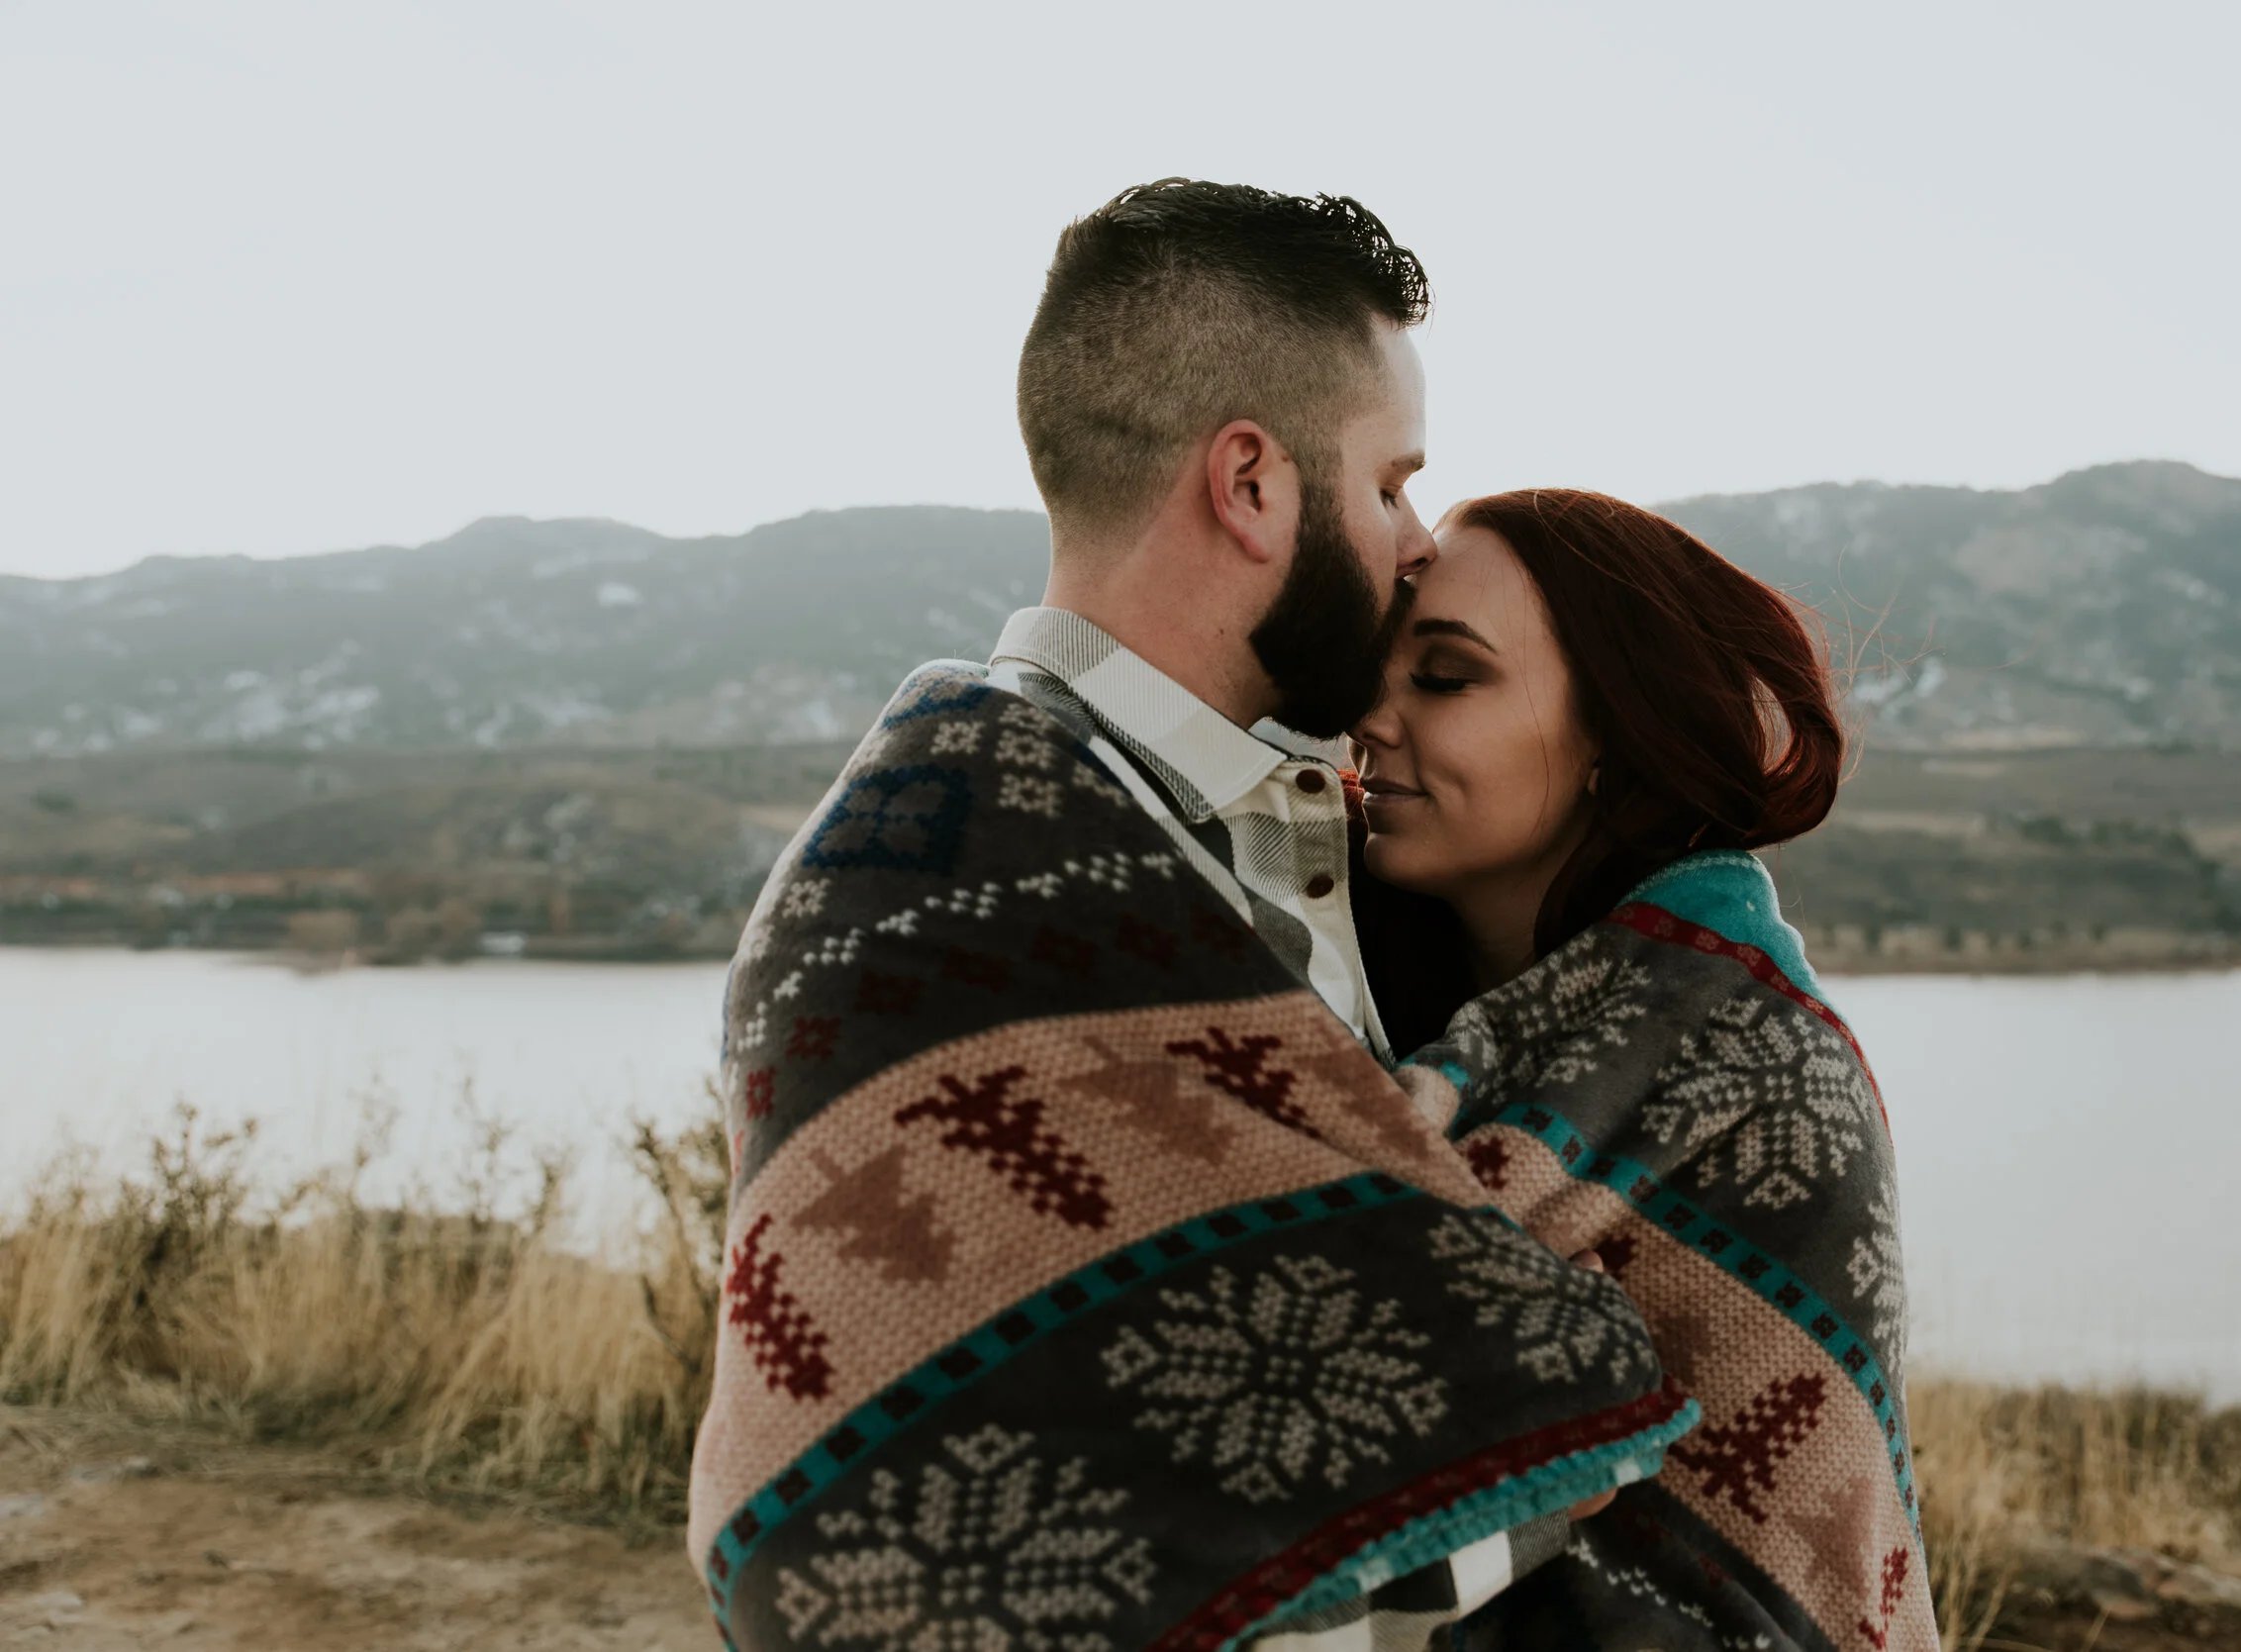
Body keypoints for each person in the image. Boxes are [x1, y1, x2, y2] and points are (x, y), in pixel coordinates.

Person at [687, 184, 1699, 1652]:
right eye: (1391, 481)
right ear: (1251, 482)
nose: (1417, 540)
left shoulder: (1338, 832)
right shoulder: (925, 886)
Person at [1349, 488, 1933, 1652]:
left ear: (1614, 737)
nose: (1367, 714)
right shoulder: (1360, 1005)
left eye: (1446, 676)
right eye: (1378, 667)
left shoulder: (1756, 1065)